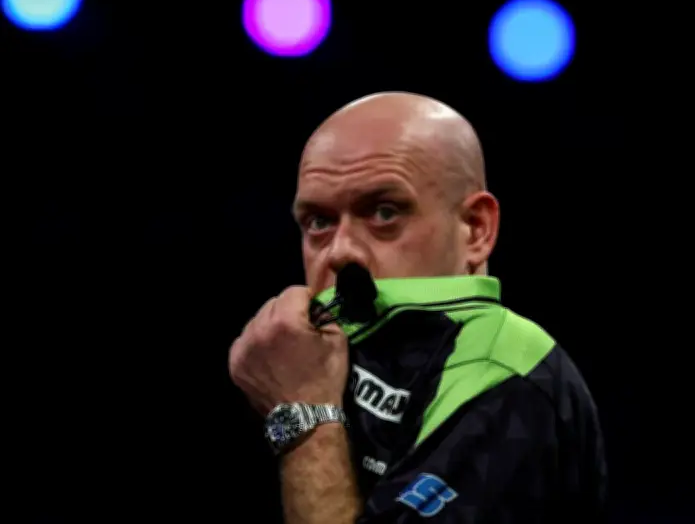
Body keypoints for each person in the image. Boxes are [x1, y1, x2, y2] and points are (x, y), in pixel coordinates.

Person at [228, 92, 608, 523]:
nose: (340, 251)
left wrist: (303, 418)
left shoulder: (508, 376)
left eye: (384, 213)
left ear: (476, 229)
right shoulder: (276, 358)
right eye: (319, 222)